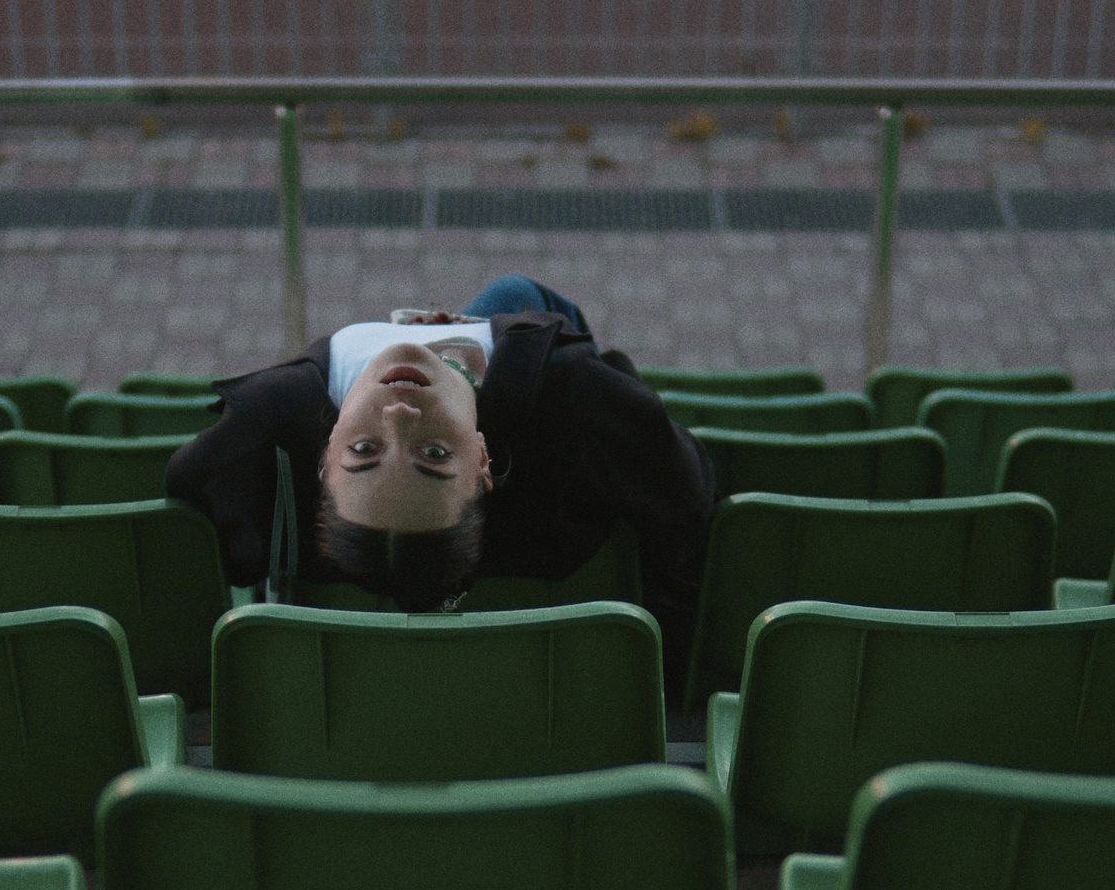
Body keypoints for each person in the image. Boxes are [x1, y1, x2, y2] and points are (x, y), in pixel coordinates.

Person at [165, 273, 716, 693]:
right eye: (433, 454)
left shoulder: (266, 419)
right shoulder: (578, 391)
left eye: (364, 451)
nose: (399, 415)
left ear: (324, 457)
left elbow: (185, 492)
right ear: (482, 458)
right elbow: (690, 486)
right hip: (522, 331)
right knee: (512, 290)